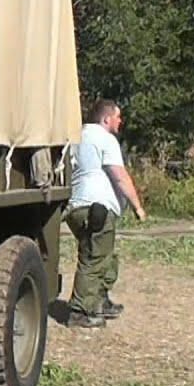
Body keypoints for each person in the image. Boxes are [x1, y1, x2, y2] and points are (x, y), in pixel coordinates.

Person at [64, 98, 146, 327]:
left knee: (101, 255)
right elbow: (119, 175)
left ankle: (100, 301)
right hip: (98, 208)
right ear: (106, 118)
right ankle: (79, 311)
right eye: (118, 117)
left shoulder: (76, 136)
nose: (120, 121)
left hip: (76, 207)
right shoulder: (105, 139)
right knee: (94, 259)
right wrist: (137, 206)